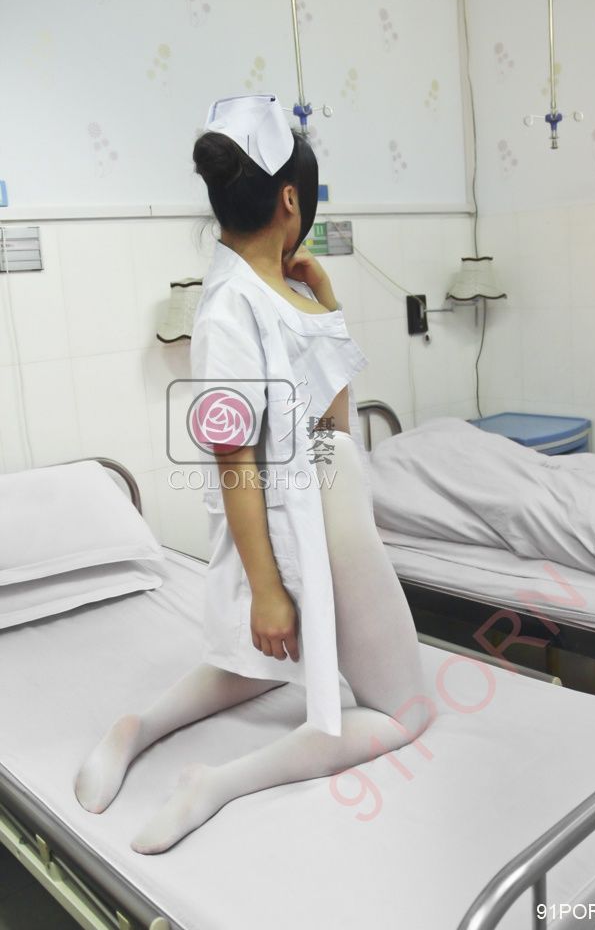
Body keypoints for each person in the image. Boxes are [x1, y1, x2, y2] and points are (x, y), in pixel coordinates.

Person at [74, 94, 431, 854]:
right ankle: (218, 781)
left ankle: (137, 728)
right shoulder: (227, 309)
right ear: (291, 200)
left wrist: (326, 307)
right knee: (405, 712)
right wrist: (268, 590)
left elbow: (334, 422)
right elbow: (232, 459)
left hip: (324, 499)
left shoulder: (281, 292)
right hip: (310, 510)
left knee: (267, 665)